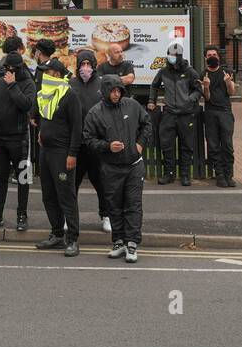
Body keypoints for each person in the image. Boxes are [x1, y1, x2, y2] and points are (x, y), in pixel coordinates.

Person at [83, 74, 152, 263]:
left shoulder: (132, 105)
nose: (116, 94)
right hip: (110, 167)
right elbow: (88, 139)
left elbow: (147, 124)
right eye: (113, 91)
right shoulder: (95, 113)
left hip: (133, 166)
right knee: (113, 206)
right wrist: (107, 146)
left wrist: (140, 144)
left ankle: (132, 244)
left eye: (119, 90)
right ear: (105, 91)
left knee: (133, 205)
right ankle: (119, 241)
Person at [32, 58, 82, 256]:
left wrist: (72, 153)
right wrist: (41, 132)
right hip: (46, 151)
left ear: (58, 75)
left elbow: (77, 127)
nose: (46, 75)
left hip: (62, 153)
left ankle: (73, 239)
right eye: (45, 72)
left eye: (50, 72)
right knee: (48, 195)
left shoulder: (69, 95)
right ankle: (57, 234)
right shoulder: (45, 94)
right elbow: (45, 118)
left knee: (66, 196)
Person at [0, 51, 35, 232]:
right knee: (1, 178)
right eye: (8, 68)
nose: (10, 71)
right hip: (0, 138)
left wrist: (13, 86)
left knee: (22, 178)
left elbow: (26, 105)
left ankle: (22, 214)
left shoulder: (28, 83)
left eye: (14, 68)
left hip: (20, 139)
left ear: (20, 68)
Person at [68, 48, 111, 233]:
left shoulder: (102, 84)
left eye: (88, 64)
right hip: (76, 142)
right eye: (82, 64)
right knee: (72, 183)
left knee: (101, 181)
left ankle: (106, 215)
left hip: (96, 142)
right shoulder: (70, 84)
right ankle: (68, 218)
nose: (85, 68)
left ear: (94, 66)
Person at [149, 41, 201, 186]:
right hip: (169, 114)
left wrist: (190, 99)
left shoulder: (190, 72)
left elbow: (198, 90)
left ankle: (185, 175)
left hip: (186, 114)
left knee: (186, 145)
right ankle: (169, 174)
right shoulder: (163, 71)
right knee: (167, 145)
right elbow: (154, 85)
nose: (170, 57)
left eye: (173, 55)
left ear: (179, 56)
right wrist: (151, 100)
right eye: (169, 55)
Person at [201, 44, 237, 187]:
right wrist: (206, 87)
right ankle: (220, 175)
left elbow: (231, 92)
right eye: (209, 56)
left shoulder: (226, 72)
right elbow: (207, 98)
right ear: (205, 58)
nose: (212, 58)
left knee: (227, 144)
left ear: (218, 57)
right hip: (210, 112)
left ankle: (229, 174)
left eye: (214, 55)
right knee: (213, 145)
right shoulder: (203, 75)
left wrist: (228, 83)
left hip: (225, 112)